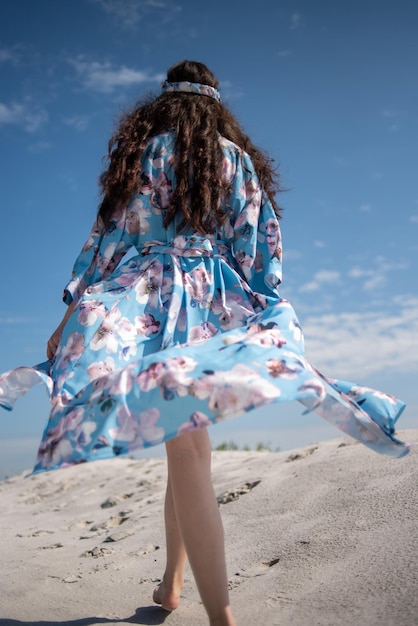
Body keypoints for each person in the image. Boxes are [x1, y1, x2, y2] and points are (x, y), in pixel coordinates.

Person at [0, 60, 409, 625]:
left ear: (162, 104)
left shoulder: (142, 155)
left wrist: (73, 308)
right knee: (190, 447)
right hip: (210, 305)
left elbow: (106, 240)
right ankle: (209, 609)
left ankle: (188, 595)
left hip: (137, 302)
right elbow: (258, 247)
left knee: (185, 445)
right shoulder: (234, 158)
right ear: (216, 105)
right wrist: (264, 303)